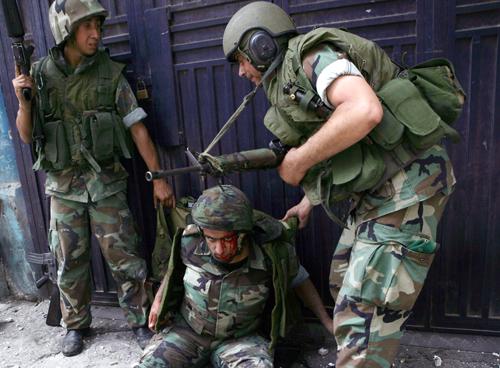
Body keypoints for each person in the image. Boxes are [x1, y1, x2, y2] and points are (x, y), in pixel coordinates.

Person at [222, 2, 460, 367]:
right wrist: (307, 200)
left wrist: (298, 161)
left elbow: (364, 111)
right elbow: (338, 141)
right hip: (378, 194)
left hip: (407, 187)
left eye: (241, 59)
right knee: (342, 280)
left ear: (261, 45)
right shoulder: (290, 78)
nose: (241, 72)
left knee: (360, 312)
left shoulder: (313, 57)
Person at [11, 0, 175, 357]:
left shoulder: (110, 74)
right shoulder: (38, 75)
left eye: (98, 27)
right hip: (64, 188)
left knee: (125, 257)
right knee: (69, 260)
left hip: (106, 185)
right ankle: (75, 325)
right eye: (87, 27)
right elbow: (26, 136)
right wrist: (24, 102)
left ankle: (138, 318)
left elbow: (138, 129)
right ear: (66, 31)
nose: (96, 34)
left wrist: (159, 177)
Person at [138, 184, 333, 367]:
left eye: (227, 239)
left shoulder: (271, 254)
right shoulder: (189, 241)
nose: (218, 248)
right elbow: (174, 270)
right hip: (187, 333)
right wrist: (159, 300)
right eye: (211, 239)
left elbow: (301, 281)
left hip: (241, 339)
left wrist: (327, 322)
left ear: (242, 232)